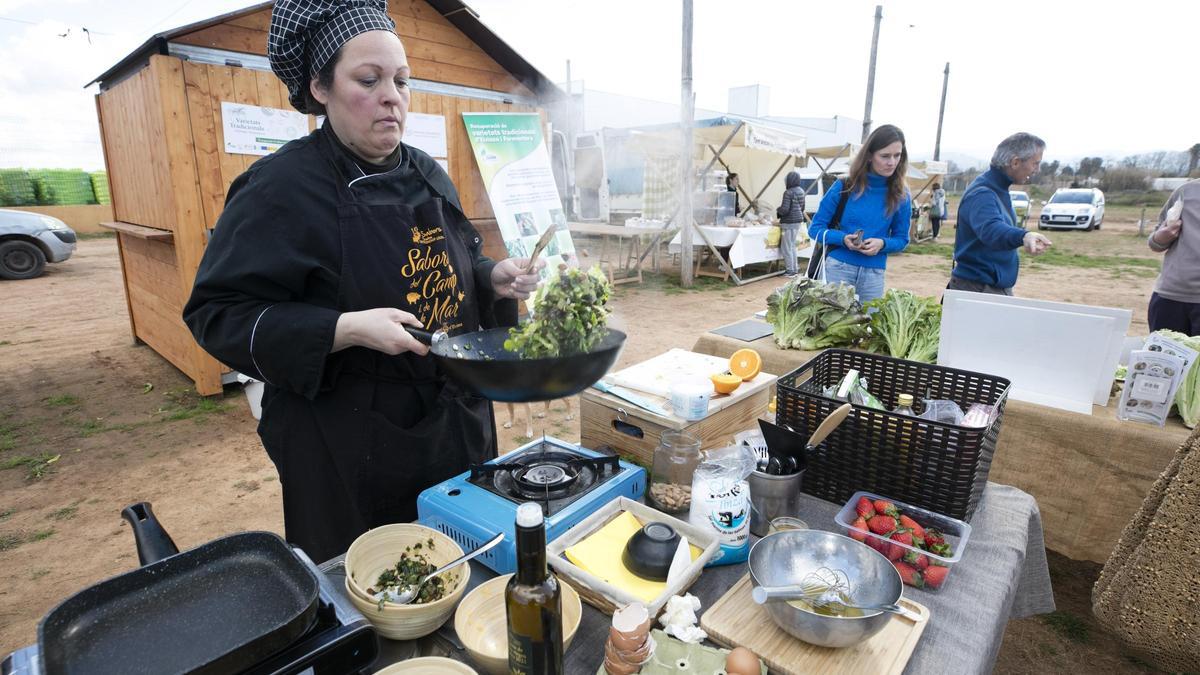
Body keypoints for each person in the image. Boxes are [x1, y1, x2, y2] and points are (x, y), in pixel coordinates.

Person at [182, 0, 541, 562]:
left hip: (454, 420)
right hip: (348, 439)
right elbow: (217, 314)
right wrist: (344, 328)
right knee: (373, 581)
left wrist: (490, 278)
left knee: (465, 559)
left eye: (401, 80)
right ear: (321, 87)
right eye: (368, 80)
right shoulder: (280, 188)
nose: (391, 96)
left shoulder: (426, 170)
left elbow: (450, 266)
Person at [807, 124, 912, 303]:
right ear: (869, 156)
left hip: (874, 274)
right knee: (832, 328)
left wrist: (882, 243)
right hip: (837, 269)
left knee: (867, 330)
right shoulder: (843, 186)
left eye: (897, 155)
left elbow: (902, 239)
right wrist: (843, 239)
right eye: (885, 156)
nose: (892, 162)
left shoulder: (902, 195)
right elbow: (815, 229)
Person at [947, 133, 1052, 296]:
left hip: (986, 287)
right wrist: (1023, 236)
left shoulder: (997, 189)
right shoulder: (983, 193)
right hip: (978, 290)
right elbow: (991, 230)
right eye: (1035, 164)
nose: (1037, 170)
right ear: (1015, 162)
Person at [1147, 179, 1200, 334]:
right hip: (1170, 299)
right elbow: (1156, 242)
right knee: (1160, 358)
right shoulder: (1186, 191)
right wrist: (1160, 237)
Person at [776, 171, 806, 276]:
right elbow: (802, 208)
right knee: (792, 246)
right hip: (798, 222)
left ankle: (790, 270)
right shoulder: (801, 191)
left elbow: (784, 209)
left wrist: (777, 210)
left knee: (786, 247)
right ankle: (794, 268)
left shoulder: (788, 192)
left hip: (788, 223)